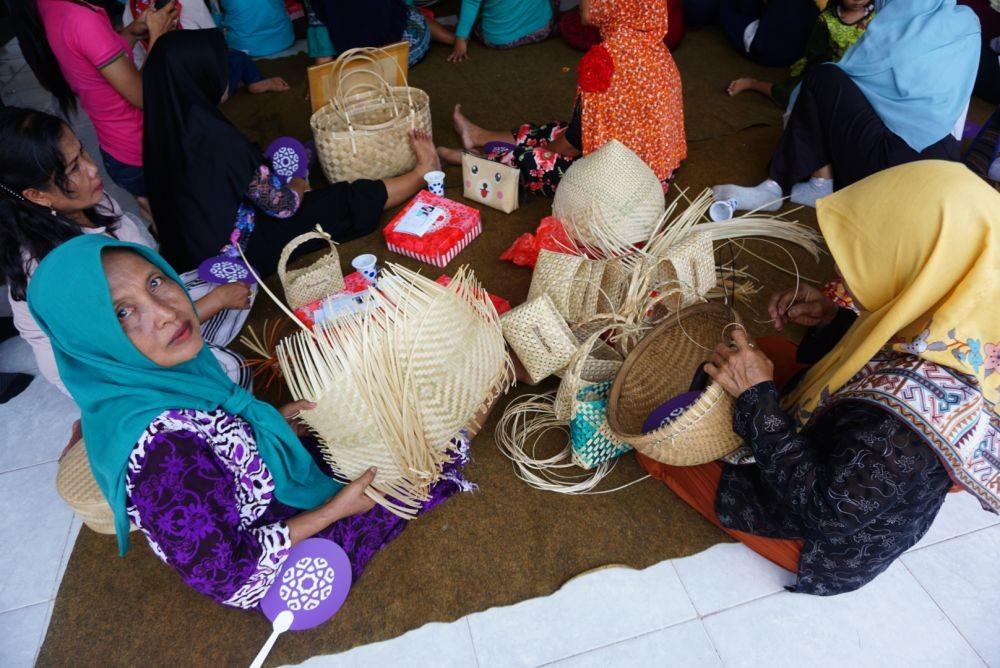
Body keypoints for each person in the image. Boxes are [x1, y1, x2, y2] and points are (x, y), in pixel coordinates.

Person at [26, 235, 476, 607]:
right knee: (415, 467)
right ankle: (456, 437)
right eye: (123, 313)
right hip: (262, 560)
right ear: (93, 341)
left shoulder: (162, 375)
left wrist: (271, 424)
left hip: (254, 489)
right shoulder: (163, 456)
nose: (166, 313)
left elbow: (216, 447)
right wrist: (333, 511)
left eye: (156, 282)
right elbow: (224, 574)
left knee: (371, 423)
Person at [640, 161, 999, 596]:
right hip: (855, 454)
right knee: (766, 354)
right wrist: (835, 319)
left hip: (826, 540)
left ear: (925, 263)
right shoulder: (955, 314)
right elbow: (876, 354)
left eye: (873, 255)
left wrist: (758, 401)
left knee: (657, 445)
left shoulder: (912, 418)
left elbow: (825, 511)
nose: (843, 274)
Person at [0, 107, 254, 396]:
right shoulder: (56, 270)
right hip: (117, 369)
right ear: (37, 195)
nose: (92, 169)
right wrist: (217, 301)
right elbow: (123, 351)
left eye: (82, 152)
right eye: (73, 169)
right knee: (232, 373)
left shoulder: (96, 203)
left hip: (140, 318)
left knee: (236, 276)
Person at [141, 29, 440, 273]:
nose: (226, 70)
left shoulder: (163, 128)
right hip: (240, 253)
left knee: (271, 166)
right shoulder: (214, 136)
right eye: (218, 65)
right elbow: (282, 206)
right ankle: (420, 173)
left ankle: (285, 172)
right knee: (340, 200)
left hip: (193, 249)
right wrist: (299, 182)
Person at [713, 0, 980, 210]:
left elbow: (849, 79)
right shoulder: (967, 23)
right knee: (883, 107)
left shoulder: (896, 22)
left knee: (824, 78)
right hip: (937, 171)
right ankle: (819, 183)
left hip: (885, 169)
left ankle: (778, 186)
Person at [438, 0, 686, 196]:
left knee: (539, 161)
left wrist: (540, 151)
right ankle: (480, 137)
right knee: (557, 130)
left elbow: (573, 143)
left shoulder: (607, 62)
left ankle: (472, 160)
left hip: (624, 186)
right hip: (654, 167)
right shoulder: (652, 46)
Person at [12, 0, 180, 221]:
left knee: (157, 212)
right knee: (174, 217)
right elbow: (143, 95)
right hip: (140, 148)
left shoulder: (51, 6)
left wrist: (131, 32)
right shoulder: (81, 19)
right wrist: (158, 35)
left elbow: (95, 58)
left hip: (119, 148)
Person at [122, 0, 291, 94]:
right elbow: (214, 40)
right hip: (209, 91)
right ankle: (256, 81)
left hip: (164, 92)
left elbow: (135, 61)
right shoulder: (189, 2)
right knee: (238, 57)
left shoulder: (129, 10)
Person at [727, 0, 875, 107]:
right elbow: (816, 57)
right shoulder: (827, 21)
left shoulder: (878, 15)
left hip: (864, 73)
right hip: (828, 72)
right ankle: (753, 84)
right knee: (789, 96)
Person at [307, 0, 455, 67]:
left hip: (357, 63)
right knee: (409, 14)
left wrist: (322, 80)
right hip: (398, 55)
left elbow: (322, 44)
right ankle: (453, 39)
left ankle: (450, 37)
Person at [447, 0, 559, 63]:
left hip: (501, 39)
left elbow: (470, 3)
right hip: (541, 29)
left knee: (463, 10)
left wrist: (461, 37)